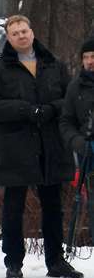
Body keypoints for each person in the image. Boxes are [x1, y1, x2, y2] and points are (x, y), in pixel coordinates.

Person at [0, 14, 83, 278]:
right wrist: (25, 110)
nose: (21, 36)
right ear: (9, 39)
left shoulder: (54, 64)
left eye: (24, 31)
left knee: (53, 206)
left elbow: (70, 100)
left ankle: (56, 261)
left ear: (32, 32)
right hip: (16, 146)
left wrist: (48, 110)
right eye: (15, 33)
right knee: (13, 207)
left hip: (51, 145)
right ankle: (13, 263)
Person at [59, 36, 94, 180]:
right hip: (88, 154)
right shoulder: (75, 87)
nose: (90, 61)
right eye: (85, 57)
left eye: (93, 56)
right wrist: (78, 142)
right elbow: (66, 121)